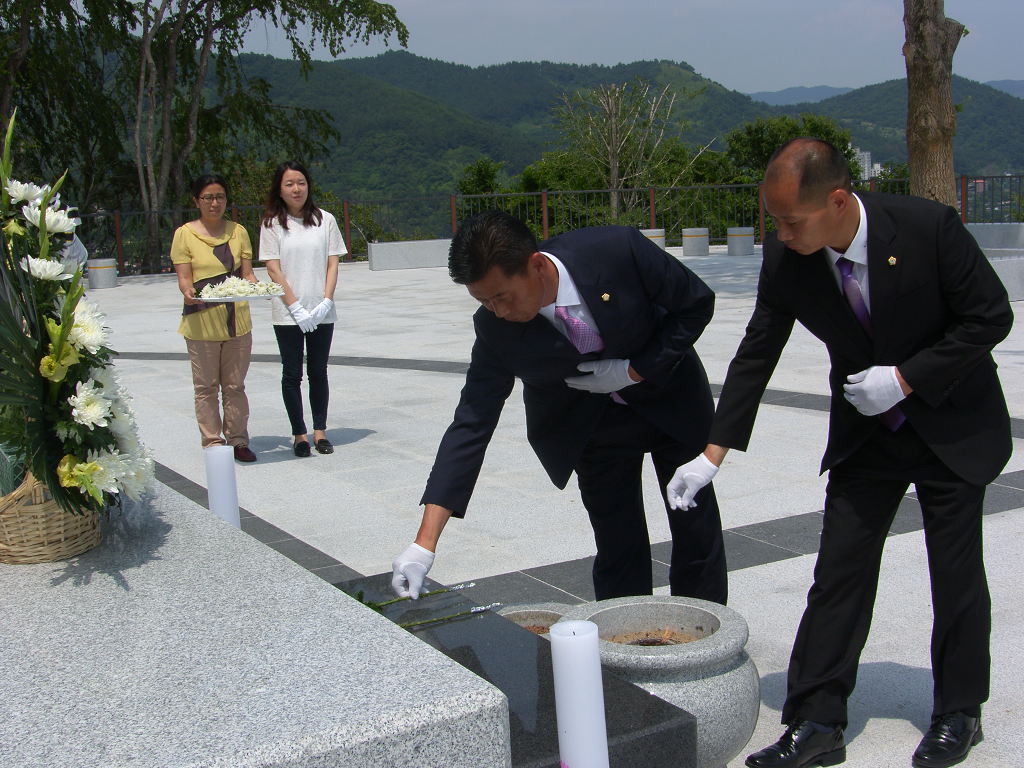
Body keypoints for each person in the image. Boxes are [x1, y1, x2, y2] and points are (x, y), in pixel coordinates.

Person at [666, 138, 1012, 768]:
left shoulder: (928, 227)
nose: (782, 232)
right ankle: (816, 721)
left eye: (792, 221)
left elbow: (989, 318)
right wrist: (712, 453)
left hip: (950, 424)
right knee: (839, 573)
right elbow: (756, 351)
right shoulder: (790, 256)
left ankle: (959, 712)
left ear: (837, 199)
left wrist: (907, 378)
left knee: (955, 575)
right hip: (867, 432)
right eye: (775, 220)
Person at [391, 210, 728, 605]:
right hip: (592, 428)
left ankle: (704, 638)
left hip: (671, 401)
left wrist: (635, 371)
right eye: (484, 300)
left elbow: (696, 304)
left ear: (535, 265)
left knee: (696, 531)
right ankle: (628, 646)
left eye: (502, 296)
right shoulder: (496, 328)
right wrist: (424, 544)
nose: (498, 310)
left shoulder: (617, 250)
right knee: (618, 545)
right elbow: (471, 422)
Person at [171, 174, 259, 463]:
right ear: (196, 201)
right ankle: (212, 441)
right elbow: (185, 279)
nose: (214, 203)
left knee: (235, 385)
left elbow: (247, 274)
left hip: (237, 321)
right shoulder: (185, 234)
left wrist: (259, 288)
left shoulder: (239, 232)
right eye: (208, 197)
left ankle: (238, 440)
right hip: (202, 321)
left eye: (219, 196)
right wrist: (188, 292)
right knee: (206, 386)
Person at [259, 161, 344, 458]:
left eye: (301, 183)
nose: (296, 189)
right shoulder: (271, 223)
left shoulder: (325, 220)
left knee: (318, 371)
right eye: (289, 184)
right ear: (279, 190)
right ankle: (299, 434)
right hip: (287, 312)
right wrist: (294, 306)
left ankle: (320, 431)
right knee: (292, 373)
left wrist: (325, 301)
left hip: (321, 310)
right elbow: (273, 268)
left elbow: (333, 262)